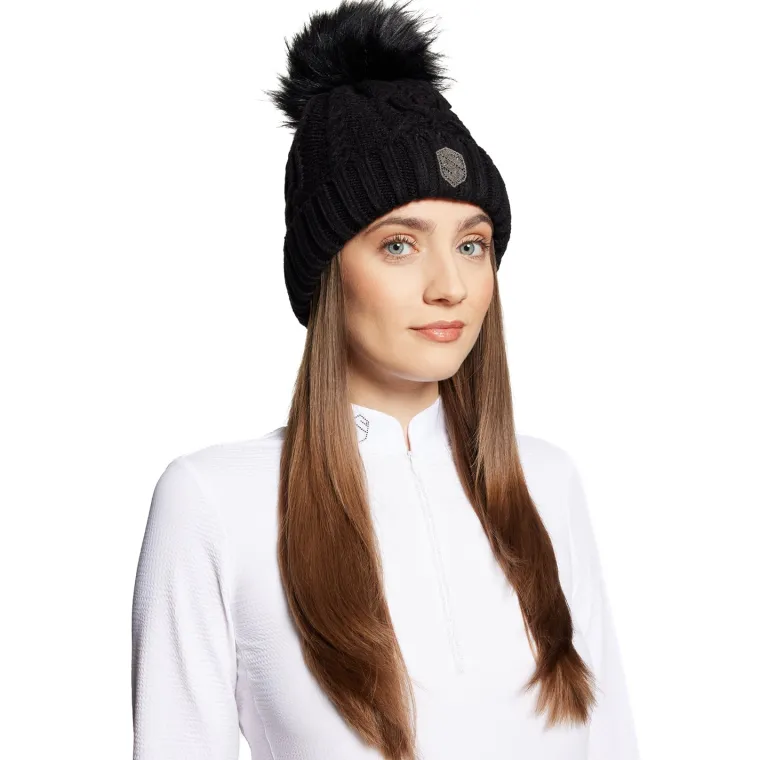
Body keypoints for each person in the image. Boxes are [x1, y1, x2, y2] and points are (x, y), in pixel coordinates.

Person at [130, 1, 640, 758]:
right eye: (399, 244)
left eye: (472, 245)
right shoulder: (213, 502)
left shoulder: (546, 482)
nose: (450, 286)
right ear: (328, 274)